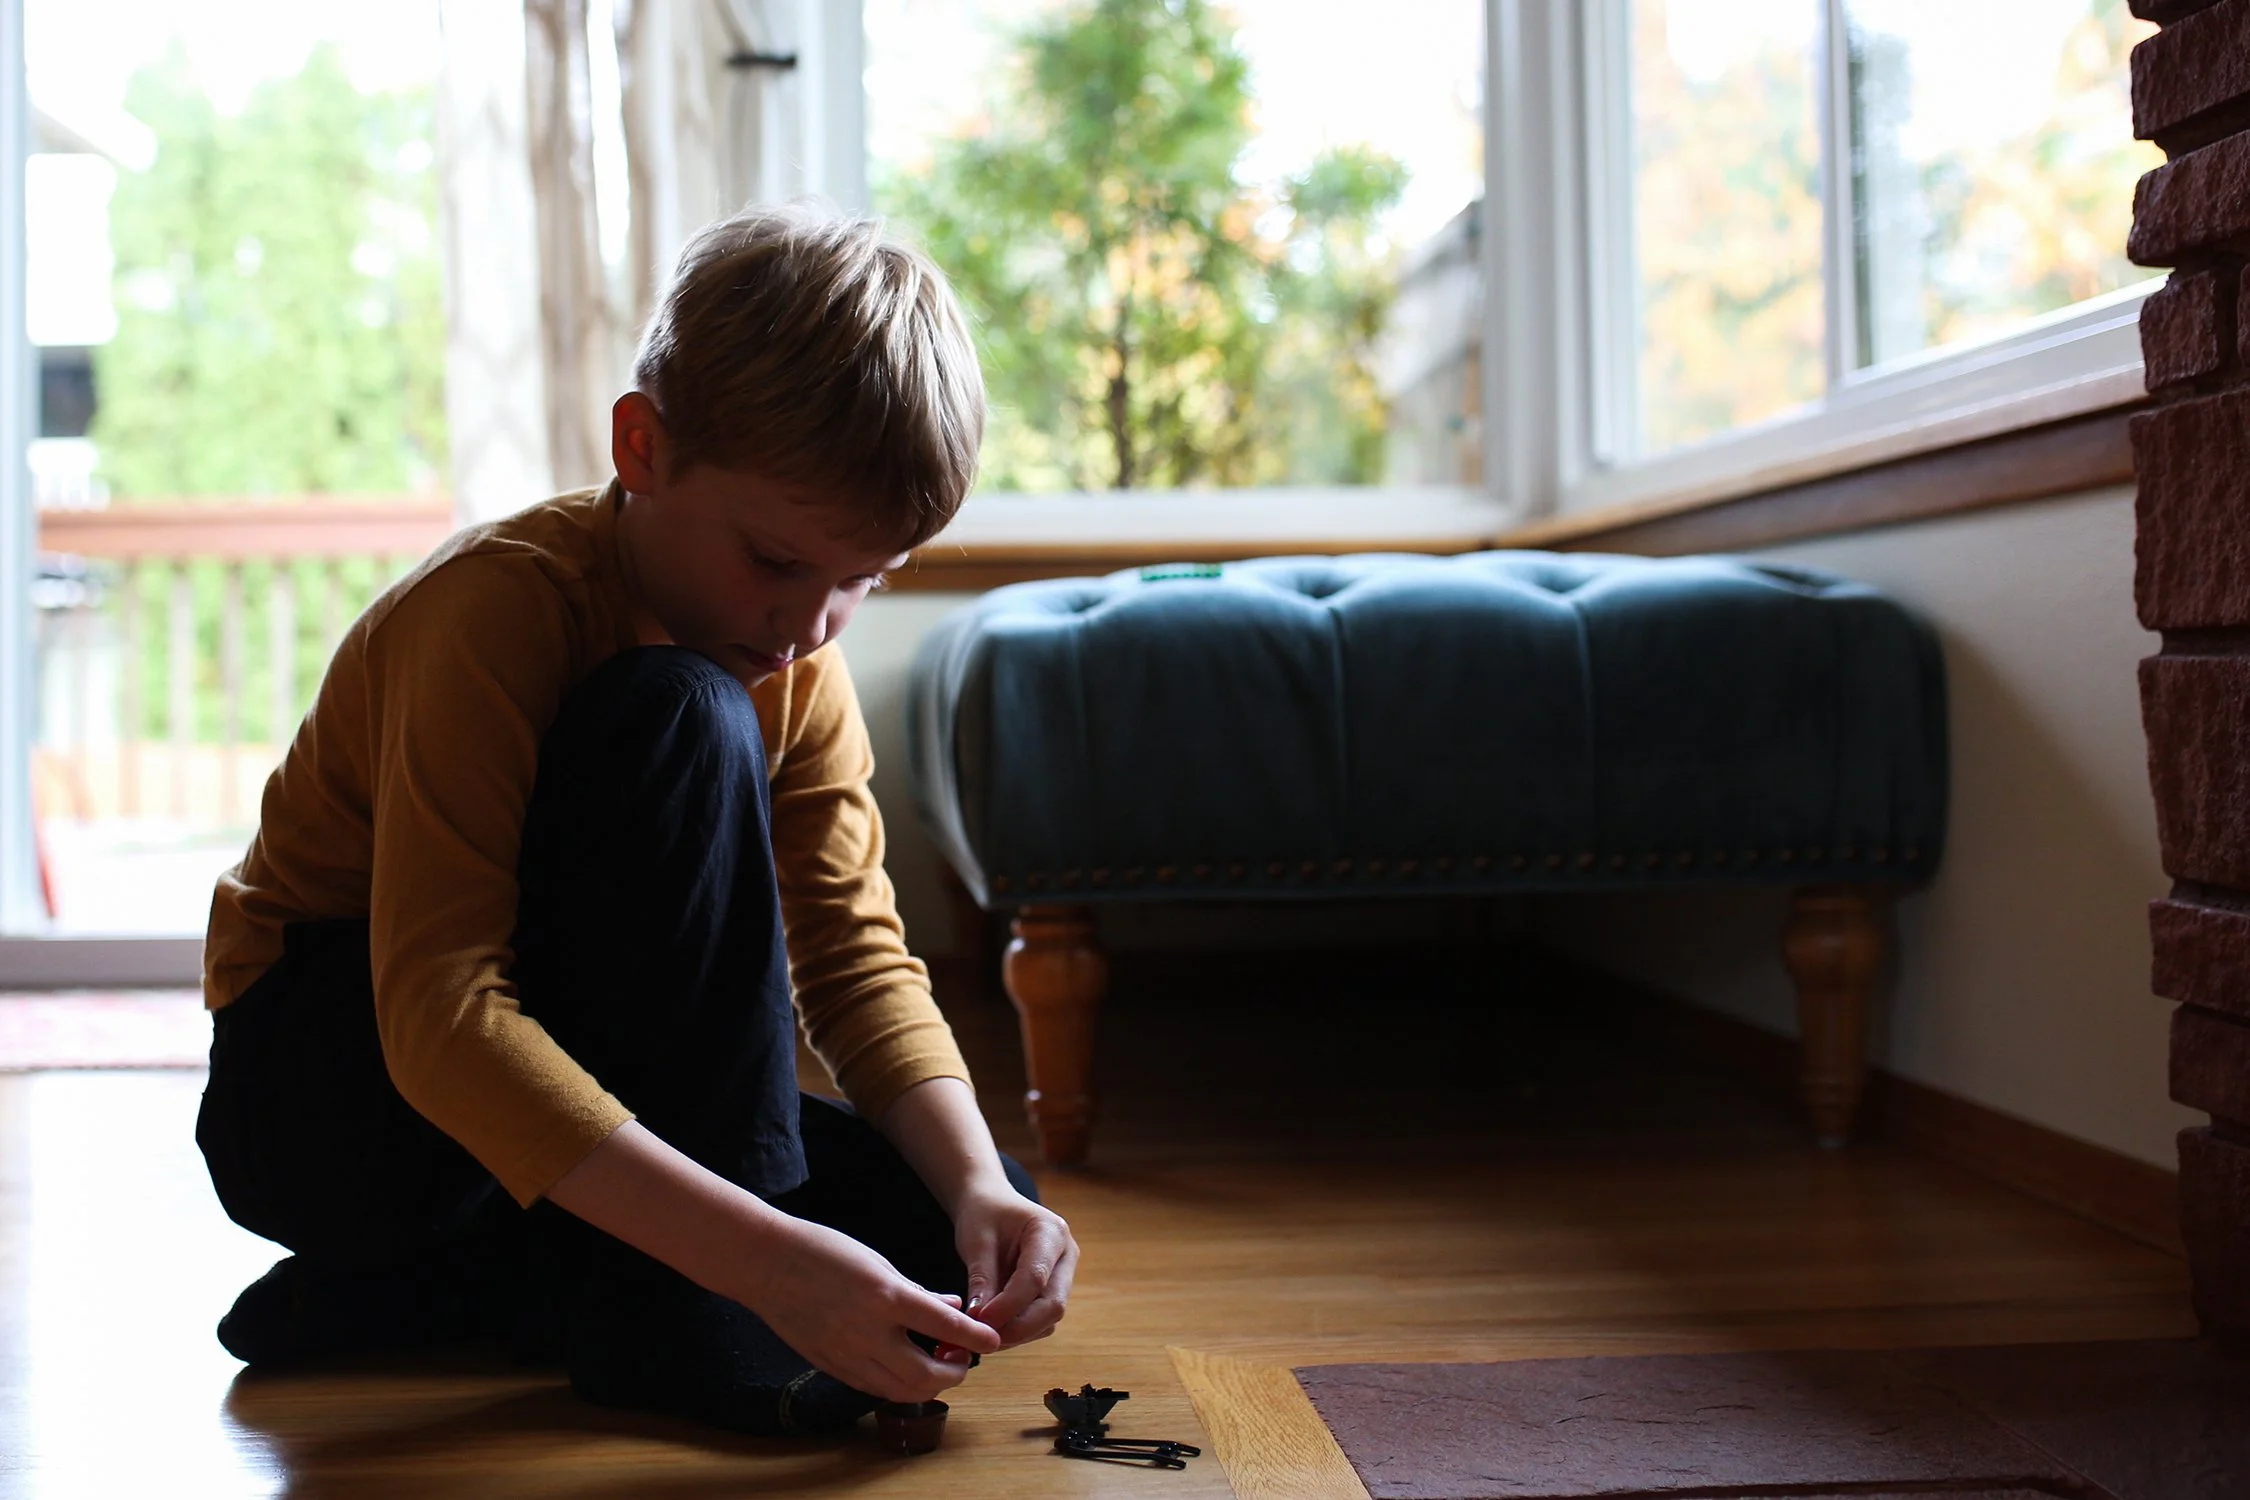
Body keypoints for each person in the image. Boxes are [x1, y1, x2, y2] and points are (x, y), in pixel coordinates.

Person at [194, 202, 1077, 1437]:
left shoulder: (794, 655)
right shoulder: (496, 613)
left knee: (950, 1228)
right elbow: (443, 1016)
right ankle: (668, 1322)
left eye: (864, 581)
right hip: (332, 1096)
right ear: (642, 447)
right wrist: (770, 1267)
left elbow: (852, 954)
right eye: (776, 562)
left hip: (572, 1060)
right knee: (678, 713)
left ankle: (460, 1295)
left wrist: (983, 1184)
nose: (813, 628)